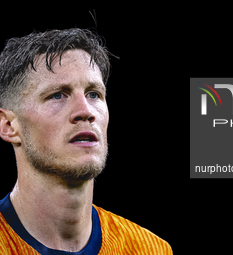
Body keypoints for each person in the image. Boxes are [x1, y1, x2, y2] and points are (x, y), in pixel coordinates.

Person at [0, 28, 172, 254]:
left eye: (94, 94)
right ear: (9, 126)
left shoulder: (151, 250)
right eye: (58, 94)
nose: (85, 111)